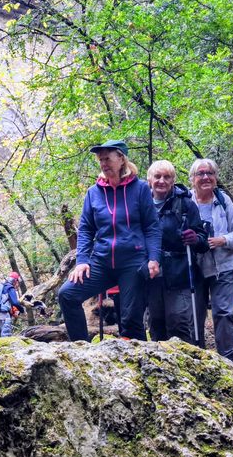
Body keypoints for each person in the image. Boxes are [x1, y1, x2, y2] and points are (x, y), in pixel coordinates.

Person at [58, 140, 162, 341]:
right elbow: (87, 230)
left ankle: (137, 364)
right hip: (102, 261)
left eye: (107, 158)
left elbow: (152, 227)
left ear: (121, 159)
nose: (103, 163)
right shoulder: (93, 193)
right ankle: (82, 350)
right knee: (67, 294)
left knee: (131, 319)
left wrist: (154, 258)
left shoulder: (140, 189)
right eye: (100, 159)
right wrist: (82, 262)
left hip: (133, 261)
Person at [145, 160, 209, 345]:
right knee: (156, 323)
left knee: (178, 321)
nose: (162, 181)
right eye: (157, 176)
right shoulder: (142, 204)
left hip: (179, 272)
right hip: (151, 273)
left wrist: (195, 238)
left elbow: (203, 239)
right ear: (149, 180)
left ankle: (184, 365)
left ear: (173, 180)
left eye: (167, 177)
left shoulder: (186, 204)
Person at [188, 158, 233, 360]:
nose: (205, 177)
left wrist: (223, 240)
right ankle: (198, 358)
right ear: (192, 179)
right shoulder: (185, 202)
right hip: (193, 267)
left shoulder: (223, 201)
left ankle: (229, 359)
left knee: (223, 313)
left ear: (215, 177)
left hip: (224, 265)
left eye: (210, 173)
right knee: (194, 315)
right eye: (200, 174)